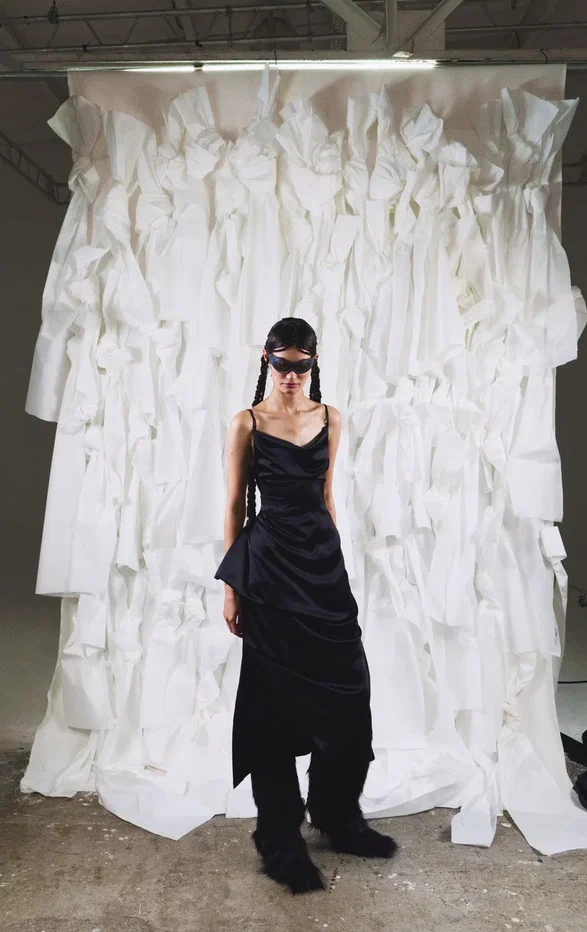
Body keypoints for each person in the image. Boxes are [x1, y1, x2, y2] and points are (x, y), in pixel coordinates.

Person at [214, 318, 399, 894]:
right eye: (281, 364)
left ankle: (339, 816)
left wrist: (333, 565)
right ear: (265, 360)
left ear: (314, 364)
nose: (290, 375)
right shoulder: (247, 422)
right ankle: (279, 838)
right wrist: (232, 587)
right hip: (268, 572)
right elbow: (234, 506)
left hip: (321, 568)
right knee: (272, 704)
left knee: (349, 694)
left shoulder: (331, 418)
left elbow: (326, 495)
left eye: (300, 365)